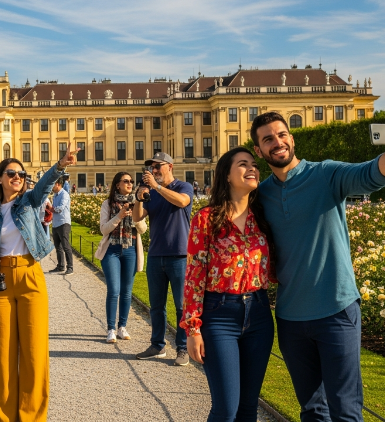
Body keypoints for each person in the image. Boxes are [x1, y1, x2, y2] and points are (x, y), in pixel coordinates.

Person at [250, 111, 385, 421]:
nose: (277, 142)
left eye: (282, 135)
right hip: (290, 318)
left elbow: (373, 175)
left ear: (292, 138)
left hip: (336, 311)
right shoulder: (261, 195)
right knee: (312, 410)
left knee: (346, 410)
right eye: (268, 139)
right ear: (259, 150)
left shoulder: (326, 174)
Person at [0, 145, 78, 422]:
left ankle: (32, 417)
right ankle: (6, 416)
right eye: (11, 173)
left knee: (34, 350)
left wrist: (60, 164)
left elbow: (45, 186)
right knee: (2, 353)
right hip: (0, 281)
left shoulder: (29, 202)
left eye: (21, 173)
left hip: (30, 275)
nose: (17, 177)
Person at [181, 147, 276, 421]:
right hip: (219, 314)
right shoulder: (207, 218)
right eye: (243, 164)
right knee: (225, 409)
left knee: (248, 409)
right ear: (226, 175)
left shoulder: (263, 218)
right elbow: (194, 275)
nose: (252, 169)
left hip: (258, 312)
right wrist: (192, 328)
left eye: (254, 165)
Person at [132, 151, 194, 366]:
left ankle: (183, 348)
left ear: (170, 166)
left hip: (179, 255)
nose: (154, 170)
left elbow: (182, 202)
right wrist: (139, 197)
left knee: (181, 306)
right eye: (152, 167)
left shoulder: (183, 186)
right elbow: (137, 217)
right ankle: (157, 345)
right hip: (156, 254)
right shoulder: (152, 192)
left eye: (158, 166)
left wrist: (158, 187)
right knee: (156, 305)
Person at [95, 172, 147, 343]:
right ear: (117, 184)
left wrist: (134, 216)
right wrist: (119, 216)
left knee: (126, 292)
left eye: (131, 181)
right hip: (112, 250)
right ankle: (110, 328)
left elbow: (143, 229)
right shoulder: (108, 204)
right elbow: (104, 229)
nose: (130, 183)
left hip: (130, 249)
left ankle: (122, 327)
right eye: (126, 181)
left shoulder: (137, 203)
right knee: (114, 290)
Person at [50, 177, 74, 274]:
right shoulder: (55, 195)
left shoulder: (64, 194)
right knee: (58, 247)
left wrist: (51, 208)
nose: (51, 186)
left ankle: (70, 267)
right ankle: (60, 266)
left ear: (58, 184)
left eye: (53, 184)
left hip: (64, 222)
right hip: (56, 223)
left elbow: (60, 208)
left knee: (65, 246)